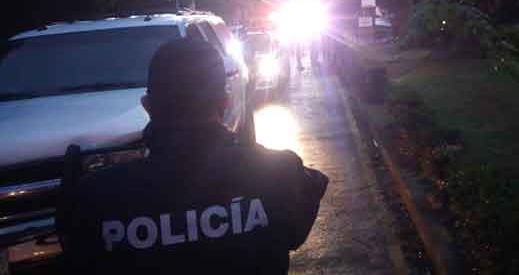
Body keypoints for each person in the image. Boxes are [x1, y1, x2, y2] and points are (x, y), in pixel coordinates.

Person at [59, 38, 328, 274]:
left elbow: (80, 258)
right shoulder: (281, 172)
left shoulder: (96, 197)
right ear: (225, 103)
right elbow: (297, 227)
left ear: (148, 106)